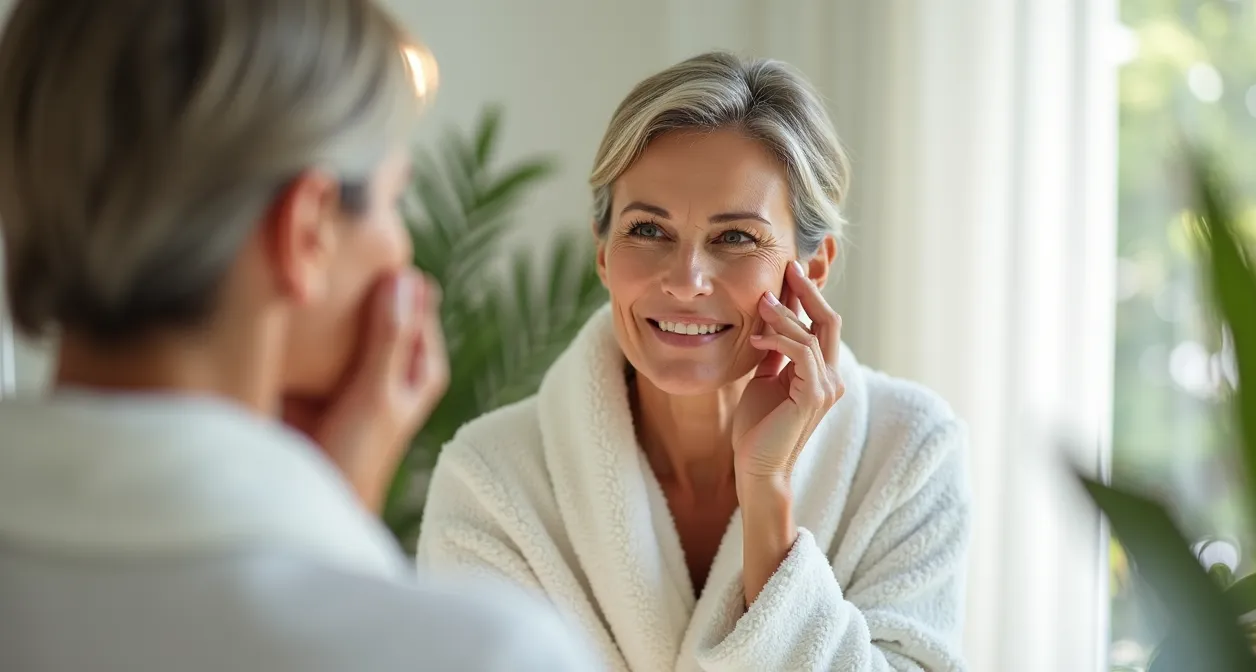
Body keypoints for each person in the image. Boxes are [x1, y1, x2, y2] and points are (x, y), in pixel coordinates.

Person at [0, 1, 597, 671]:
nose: (403, 250)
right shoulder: (482, 655)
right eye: (395, 200)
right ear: (307, 228)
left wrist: (316, 505)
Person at [417, 50, 972, 671]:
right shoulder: (492, 483)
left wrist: (769, 497)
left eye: (735, 237)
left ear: (812, 270)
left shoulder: (907, 453)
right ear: (602, 253)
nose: (685, 281)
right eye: (647, 231)